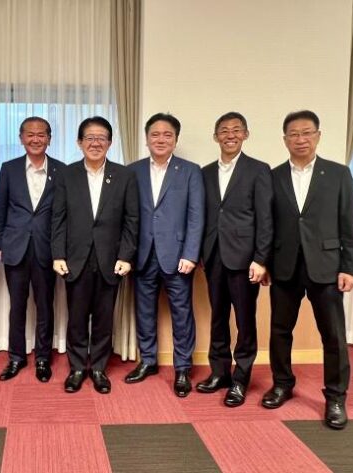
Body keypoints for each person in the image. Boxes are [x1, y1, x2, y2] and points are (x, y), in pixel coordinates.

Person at [262, 110, 353, 430]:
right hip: (284, 266)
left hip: (327, 267)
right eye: (294, 134)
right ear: (285, 139)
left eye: (307, 133)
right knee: (280, 331)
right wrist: (264, 262)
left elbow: (349, 222)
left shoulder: (338, 174)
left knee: (333, 335)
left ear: (318, 136)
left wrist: (350, 267)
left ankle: (335, 397)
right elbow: (267, 225)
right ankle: (282, 384)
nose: (300, 139)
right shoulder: (273, 176)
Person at [52, 116, 138, 394]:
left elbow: (132, 220)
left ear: (110, 143)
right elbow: (58, 218)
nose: (95, 143)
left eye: (101, 138)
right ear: (79, 142)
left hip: (110, 259)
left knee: (104, 318)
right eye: (89, 137)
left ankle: (99, 368)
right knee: (76, 318)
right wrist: (58, 254)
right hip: (75, 258)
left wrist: (126, 256)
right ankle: (77, 368)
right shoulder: (67, 175)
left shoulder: (124, 175)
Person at [125, 113, 205, 397]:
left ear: (175, 139)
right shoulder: (132, 171)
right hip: (142, 255)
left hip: (178, 255)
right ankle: (148, 361)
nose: (161, 139)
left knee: (182, 313)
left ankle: (182, 367)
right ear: (147, 138)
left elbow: (196, 216)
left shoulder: (191, 171)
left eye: (167, 134)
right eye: (155, 134)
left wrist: (191, 254)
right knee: (144, 311)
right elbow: (127, 216)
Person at [197, 112, 273, 407]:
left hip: (245, 260)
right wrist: (200, 253)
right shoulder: (204, 173)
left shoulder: (258, 170)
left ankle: (241, 378)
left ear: (246, 134)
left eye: (236, 130)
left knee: (244, 320)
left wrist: (261, 259)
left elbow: (265, 219)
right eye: (224, 130)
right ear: (215, 136)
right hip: (213, 255)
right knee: (218, 317)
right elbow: (202, 216)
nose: (230, 135)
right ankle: (219, 373)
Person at [0, 117, 65, 382]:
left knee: (45, 306)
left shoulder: (61, 170)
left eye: (41, 134)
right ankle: (16, 357)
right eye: (30, 134)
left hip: (47, 249)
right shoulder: (9, 168)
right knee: (17, 306)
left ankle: (43, 358)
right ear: (21, 138)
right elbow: (1, 209)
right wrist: (0, 243)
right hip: (15, 248)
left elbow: (63, 215)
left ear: (49, 138)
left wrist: (61, 250)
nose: (35, 139)